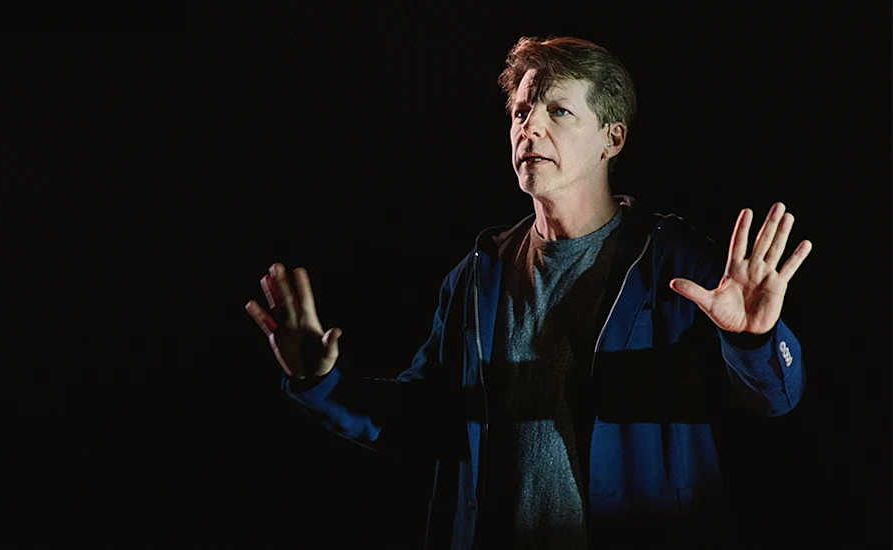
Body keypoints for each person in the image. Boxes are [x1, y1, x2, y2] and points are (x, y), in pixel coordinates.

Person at [244, 36, 812, 550]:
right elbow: (422, 420)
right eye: (520, 112)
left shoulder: (672, 258)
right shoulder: (476, 276)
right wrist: (319, 383)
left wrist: (756, 339)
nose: (529, 127)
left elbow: (775, 398)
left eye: (558, 111)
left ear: (611, 139)